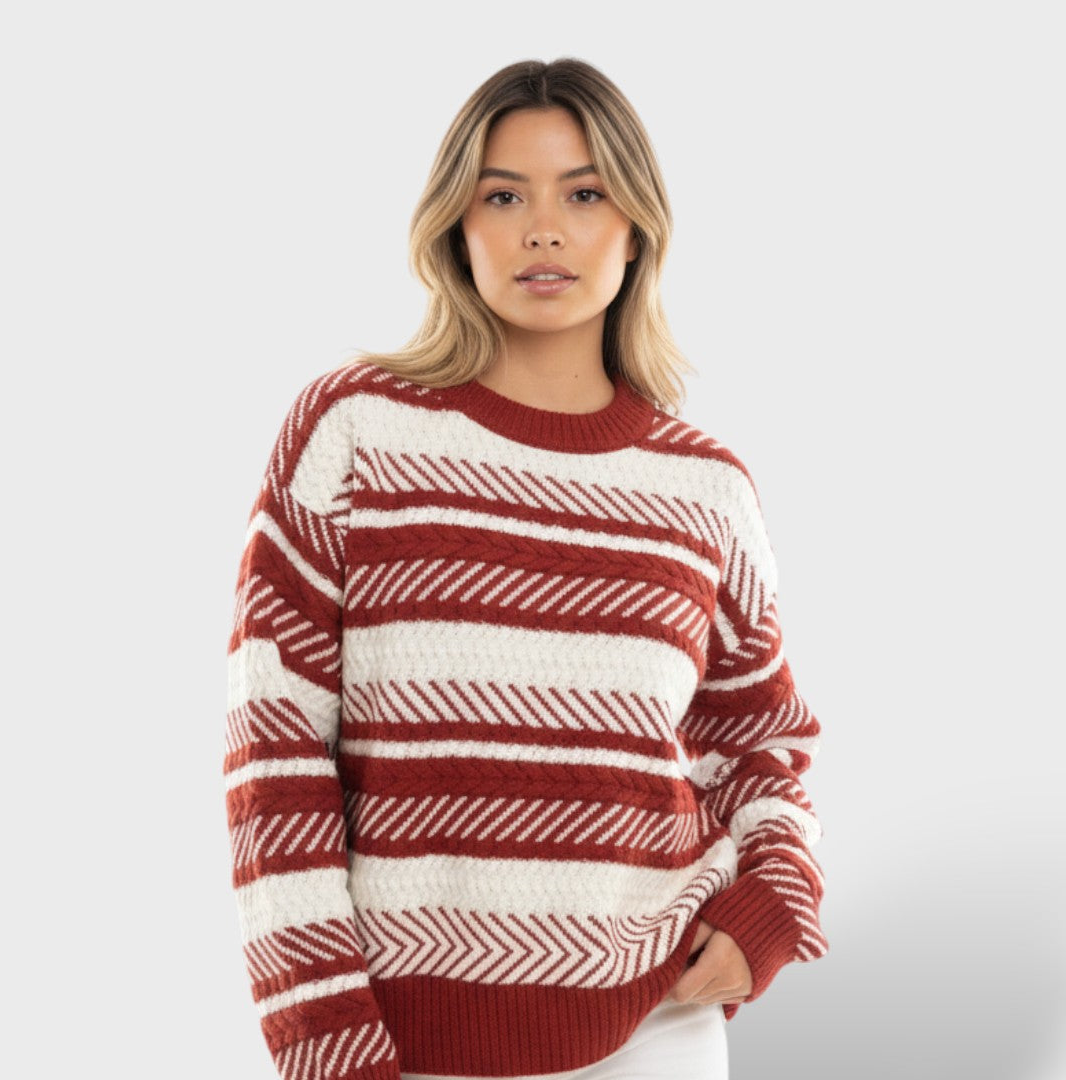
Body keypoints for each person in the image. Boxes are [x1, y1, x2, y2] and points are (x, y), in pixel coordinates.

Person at [223, 57, 827, 1080]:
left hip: (657, 1026)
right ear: (456, 226)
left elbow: (760, 740)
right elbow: (273, 753)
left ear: (636, 229)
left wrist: (769, 902)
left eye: (584, 195)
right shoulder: (354, 432)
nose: (544, 229)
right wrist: (322, 1035)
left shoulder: (706, 488)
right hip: (404, 1042)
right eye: (504, 196)